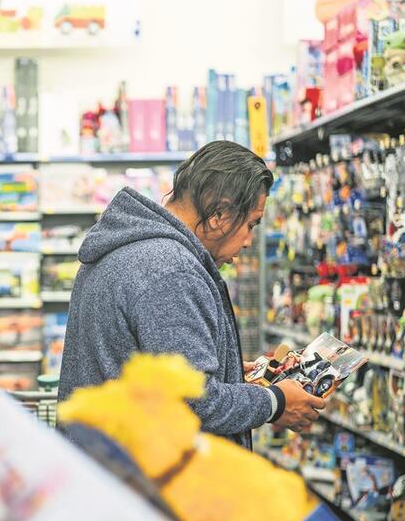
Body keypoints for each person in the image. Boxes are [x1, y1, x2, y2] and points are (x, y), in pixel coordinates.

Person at [58, 141, 325, 448]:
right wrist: (274, 401)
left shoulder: (131, 249)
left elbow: (152, 368)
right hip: (140, 477)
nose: (249, 241)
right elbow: (195, 400)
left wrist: (229, 370)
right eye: (250, 224)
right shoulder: (170, 269)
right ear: (219, 214)